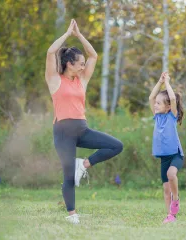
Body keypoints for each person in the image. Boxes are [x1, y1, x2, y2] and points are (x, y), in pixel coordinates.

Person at [45, 19, 123, 224]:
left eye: (83, 64)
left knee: (116, 145)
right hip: (62, 132)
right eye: (79, 63)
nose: (83, 66)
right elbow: (51, 52)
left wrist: (79, 35)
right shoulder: (54, 79)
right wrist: (67, 34)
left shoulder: (82, 80)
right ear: (70, 63)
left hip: (81, 129)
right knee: (68, 176)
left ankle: (85, 164)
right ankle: (72, 215)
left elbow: (94, 55)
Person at [148, 72, 184, 224]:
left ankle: (176, 200)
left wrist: (167, 82)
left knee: (171, 174)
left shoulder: (171, 116)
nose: (155, 105)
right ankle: (170, 216)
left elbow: (173, 98)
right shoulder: (157, 116)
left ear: (168, 107)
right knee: (165, 190)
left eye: (159, 103)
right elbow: (150, 97)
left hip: (175, 155)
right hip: (164, 157)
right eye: (156, 103)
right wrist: (159, 81)